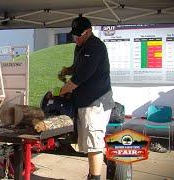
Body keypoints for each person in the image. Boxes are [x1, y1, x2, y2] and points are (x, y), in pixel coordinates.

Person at [59, 16, 114, 180]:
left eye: (79, 35)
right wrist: (67, 70)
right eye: (74, 35)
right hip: (85, 102)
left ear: (89, 31)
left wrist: (62, 91)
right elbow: (77, 67)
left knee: (94, 144)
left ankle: (95, 177)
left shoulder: (96, 47)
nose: (76, 38)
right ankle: (94, 173)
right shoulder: (81, 46)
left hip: (95, 103)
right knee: (89, 144)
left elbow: (80, 77)